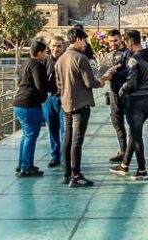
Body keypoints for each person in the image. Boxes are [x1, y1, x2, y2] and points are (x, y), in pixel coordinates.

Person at [55, 26, 104, 187]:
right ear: (78, 39)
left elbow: (59, 84)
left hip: (66, 104)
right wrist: (102, 81)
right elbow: (89, 82)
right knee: (77, 140)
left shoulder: (61, 59)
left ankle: (66, 173)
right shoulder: (80, 58)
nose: (85, 44)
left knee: (67, 139)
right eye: (84, 40)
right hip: (80, 104)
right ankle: (76, 176)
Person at [110, 30, 148, 180]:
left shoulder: (134, 59)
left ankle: (142, 171)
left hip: (136, 102)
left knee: (137, 136)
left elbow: (131, 83)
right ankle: (124, 165)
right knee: (134, 133)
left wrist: (121, 90)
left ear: (130, 42)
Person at [12, 39, 52, 177]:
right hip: (29, 104)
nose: (46, 55)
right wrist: (55, 87)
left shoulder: (24, 63)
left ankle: (22, 163)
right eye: (45, 52)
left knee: (26, 135)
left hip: (19, 103)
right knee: (31, 136)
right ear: (39, 52)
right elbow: (40, 85)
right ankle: (27, 167)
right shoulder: (36, 65)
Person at [104, 29, 131, 163]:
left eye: (115, 40)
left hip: (127, 93)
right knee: (117, 122)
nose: (113, 43)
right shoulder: (110, 54)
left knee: (132, 124)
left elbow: (130, 72)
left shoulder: (128, 53)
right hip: (114, 92)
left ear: (121, 39)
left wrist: (114, 74)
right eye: (111, 41)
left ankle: (131, 152)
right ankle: (123, 150)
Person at [41, 37, 66, 169]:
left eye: (59, 46)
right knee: (52, 129)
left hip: (64, 99)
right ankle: (55, 156)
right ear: (50, 47)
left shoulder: (67, 60)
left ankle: (64, 158)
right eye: (54, 46)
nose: (56, 49)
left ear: (63, 47)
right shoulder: (45, 61)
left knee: (64, 130)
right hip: (49, 100)